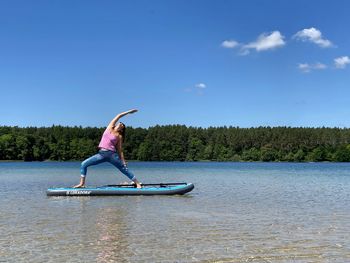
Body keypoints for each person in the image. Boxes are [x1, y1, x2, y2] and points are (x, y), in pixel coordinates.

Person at [74, 109, 142, 188]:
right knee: (83, 164)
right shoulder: (109, 127)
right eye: (120, 123)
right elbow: (118, 115)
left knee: (123, 169)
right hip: (101, 154)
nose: (120, 124)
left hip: (112, 155)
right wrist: (129, 112)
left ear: (122, 129)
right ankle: (82, 184)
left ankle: (137, 183)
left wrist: (123, 160)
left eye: (122, 125)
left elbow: (120, 150)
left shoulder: (119, 136)